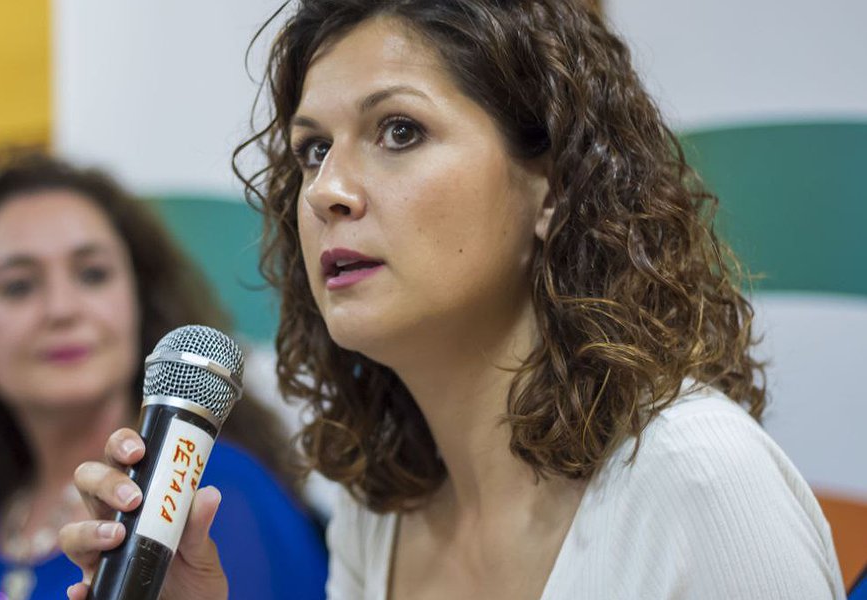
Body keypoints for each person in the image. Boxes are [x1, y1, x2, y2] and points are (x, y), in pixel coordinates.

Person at [61, 1, 847, 598]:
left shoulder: (701, 480)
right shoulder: (381, 513)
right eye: (313, 149)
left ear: (553, 185)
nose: (327, 189)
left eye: (399, 131)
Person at [0, 152, 328, 600]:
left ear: (138, 298)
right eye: (18, 286)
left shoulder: (212, 496)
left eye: (93, 274)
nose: (62, 309)